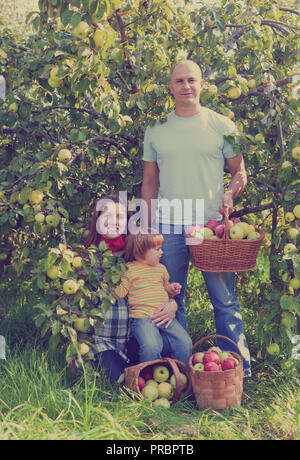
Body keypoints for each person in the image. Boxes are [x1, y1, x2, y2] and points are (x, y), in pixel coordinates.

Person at [141, 59, 251, 376]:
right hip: (168, 225)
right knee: (173, 299)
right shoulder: (156, 128)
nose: (186, 86)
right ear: (170, 87)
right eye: (179, 81)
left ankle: (238, 370)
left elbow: (239, 172)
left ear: (202, 84)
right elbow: (149, 181)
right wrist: (147, 226)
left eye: (192, 80)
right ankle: (181, 370)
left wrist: (230, 193)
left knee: (225, 301)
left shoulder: (222, 125)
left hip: (209, 229)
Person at [83, 192, 178, 383]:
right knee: (120, 381)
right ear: (97, 219)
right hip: (104, 341)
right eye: (107, 215)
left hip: (134, 338)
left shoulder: (136, 255)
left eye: (119, 217)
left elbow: (158, 286)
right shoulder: (88, 259)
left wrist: (172, 304)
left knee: (167, 347)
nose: (113, 221)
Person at [111, 230, 193, 364]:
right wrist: (111, 282)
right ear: (141, 251)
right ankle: (149, 375)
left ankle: (180, 374)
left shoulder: (161, 269)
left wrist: (172, 289)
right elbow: (121, 293)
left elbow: (166, 290)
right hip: (143, 318)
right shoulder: (129, 269)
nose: (162, 252)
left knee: (185, 342)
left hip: (164, 316)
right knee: (152, 346)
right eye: (157, 249)